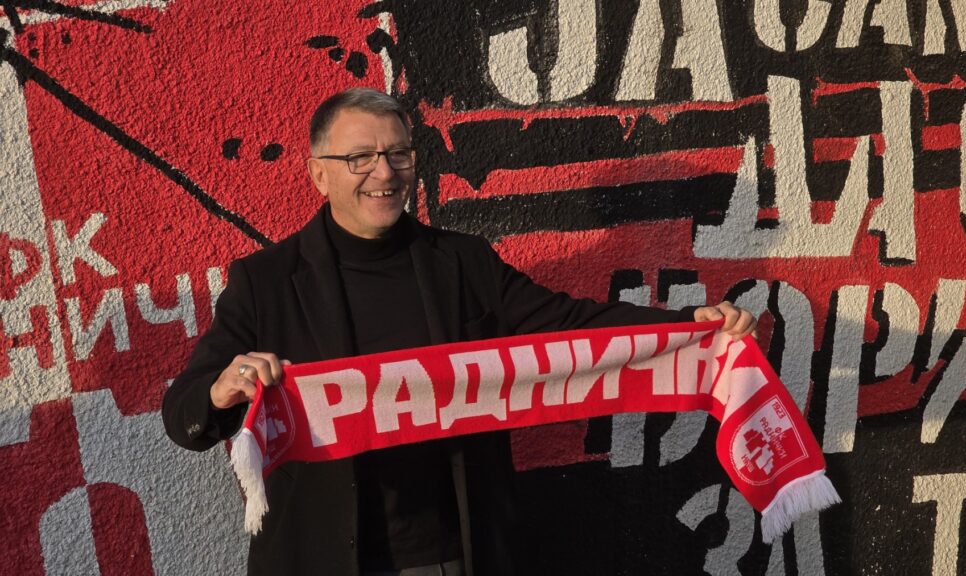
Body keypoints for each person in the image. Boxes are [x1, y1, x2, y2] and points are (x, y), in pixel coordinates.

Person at [162, 88, 755, 576]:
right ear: (319, 174)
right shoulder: (264, 282)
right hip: (321, 558)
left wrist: (687, 326)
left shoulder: (464, 263)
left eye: (399, 153)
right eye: (360, 157)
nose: (384, 173)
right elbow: (183, 413)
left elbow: (570, 324)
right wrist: (221, 390)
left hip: (452, 556)